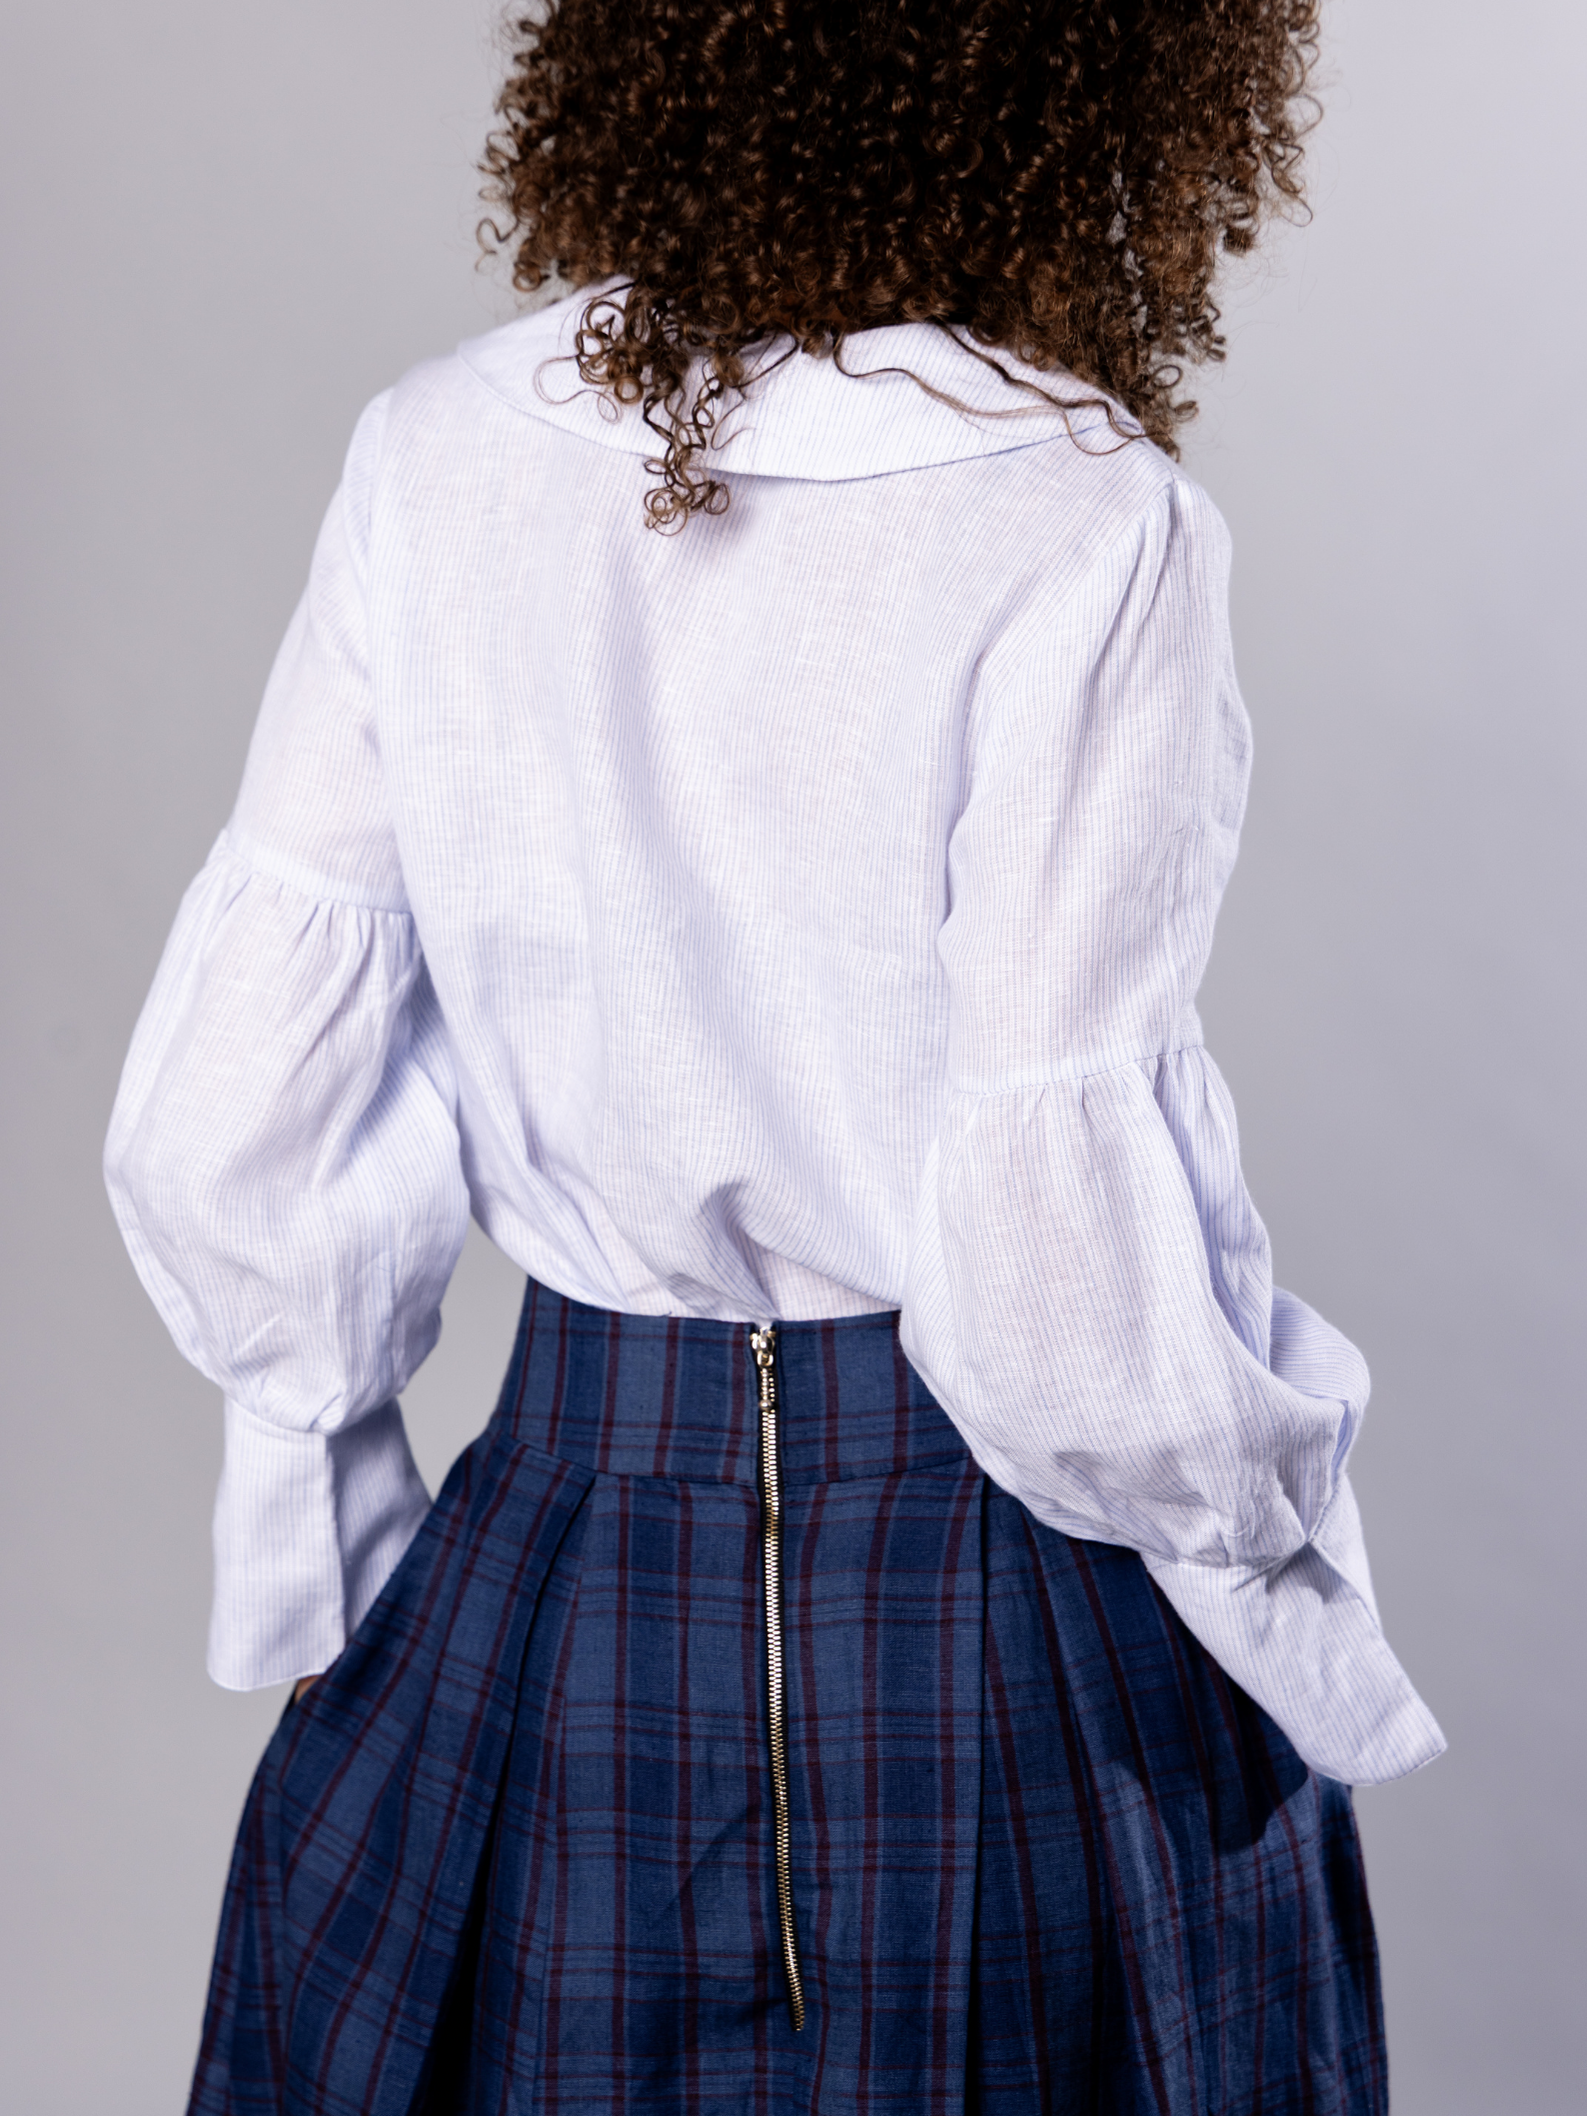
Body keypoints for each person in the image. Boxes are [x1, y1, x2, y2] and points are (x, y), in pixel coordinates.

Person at [105, 1, 1444, 2108]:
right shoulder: (1084, 520)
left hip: (558, 1560)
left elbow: (232, 1126)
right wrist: (1275, 1538)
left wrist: (324, 1513)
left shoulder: (437, 452)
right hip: (994, 1608)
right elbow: (1063, 1293)